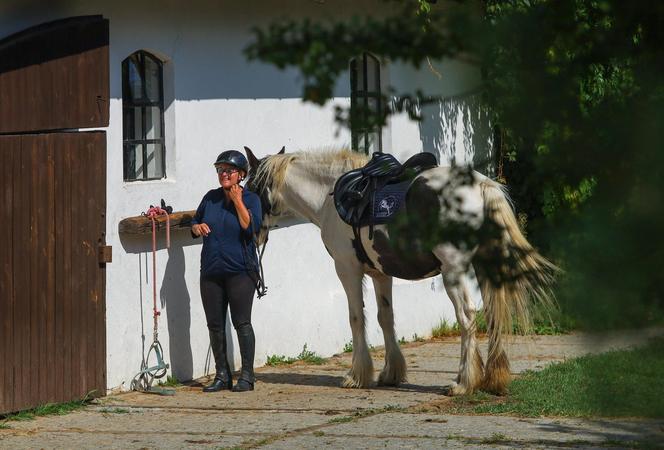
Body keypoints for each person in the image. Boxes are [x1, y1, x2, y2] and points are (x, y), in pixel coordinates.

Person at [191, 150, 262, 392]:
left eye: (229, 170)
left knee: (241, 322)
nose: (224, 174)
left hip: (241, 271)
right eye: (220, 170)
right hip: (211, 269)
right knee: (215, 324)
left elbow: (249, 226)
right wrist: (196, 226)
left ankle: (247, 377)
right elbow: (195, 221)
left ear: (241, 174)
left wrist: (238, 200)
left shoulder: (251, 199)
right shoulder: (210, 198)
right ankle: (222, 375)